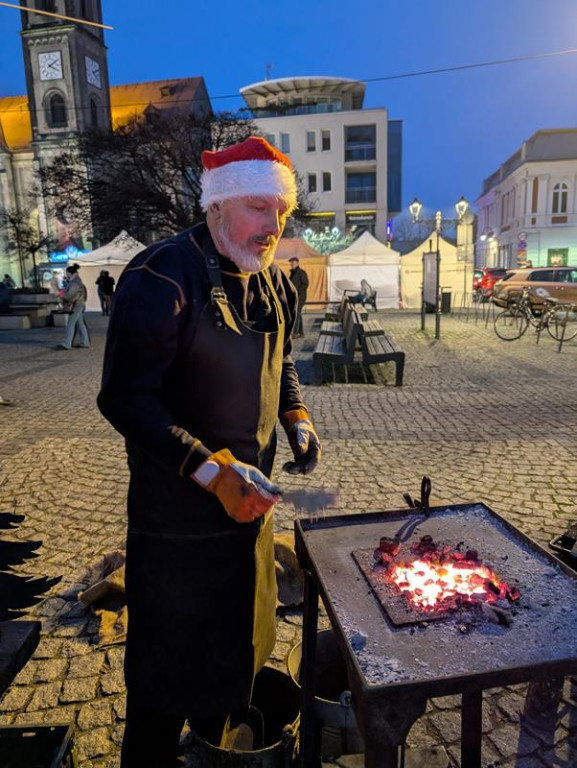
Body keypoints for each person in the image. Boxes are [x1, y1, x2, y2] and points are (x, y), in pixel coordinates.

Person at [97, 136, 322, 768]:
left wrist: (296, 416)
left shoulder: (272, 279)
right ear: (218, 204)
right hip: (176, 529)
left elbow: (284, 362)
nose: (273, 226)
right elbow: (125, 398)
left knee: (232, 667)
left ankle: (215, 747)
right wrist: (213, 473)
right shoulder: (160, 276)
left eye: (281, 211)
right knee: (162, 692)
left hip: (249, 520)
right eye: (258, 207)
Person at [56, 264, 90, 349]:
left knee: (70, 324)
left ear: (70, 273)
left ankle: (67, 343)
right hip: (79, 303)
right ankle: (85, 342)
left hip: (76, 304)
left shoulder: (75, 282)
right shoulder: (76, 281)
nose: (66, 274)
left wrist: (61, 296)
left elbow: (70, 295)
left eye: (67, 273)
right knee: (80, 324)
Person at [288, 256, 309, 338]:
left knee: (296, 314)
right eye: (291, 262)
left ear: (297, 263)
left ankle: (295, 333)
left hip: (300, 297)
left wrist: (297, 292)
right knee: (298, 313)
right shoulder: (292, 273)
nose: (291, 264)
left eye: (293, 262)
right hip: (294, 297)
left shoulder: (301, 272)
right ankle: (301, 333)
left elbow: (305, 284)